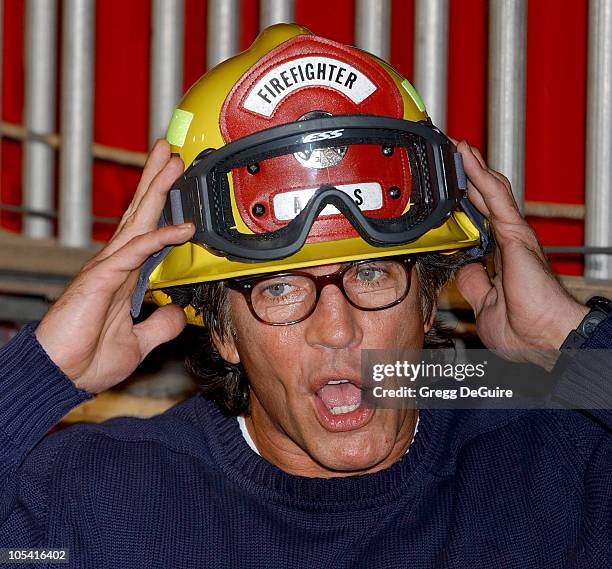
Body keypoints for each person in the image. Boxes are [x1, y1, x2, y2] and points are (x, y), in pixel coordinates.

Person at [1, 24, 611, 568]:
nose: (337, 329)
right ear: (222, 331)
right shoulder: (101, 508)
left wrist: (571, 342)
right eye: (282, 288)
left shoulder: (559, 471)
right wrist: (41, 371)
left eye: (373, 275)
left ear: (427, 299)